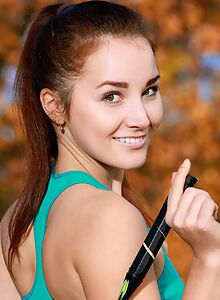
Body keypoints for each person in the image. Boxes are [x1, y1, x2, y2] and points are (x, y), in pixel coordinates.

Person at [0, 1, 220, 299]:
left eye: (149, 90)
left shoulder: (18, 220)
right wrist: (210, 258)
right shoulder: (111, 220)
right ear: (54, 106)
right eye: (112, 96)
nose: (142, 118)